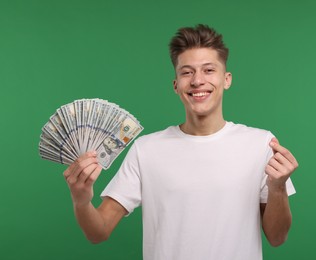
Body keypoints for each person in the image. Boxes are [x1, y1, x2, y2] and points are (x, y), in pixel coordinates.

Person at [63, 24, 299, 260]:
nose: (197, 80)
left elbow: (277, 238)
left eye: (208, 70)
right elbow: (98, 232)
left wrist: (277, 188)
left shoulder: (260, 144)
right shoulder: (146, 149)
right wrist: (81, 201)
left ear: (226, 79)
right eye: (187, 72)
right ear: (176, 85)